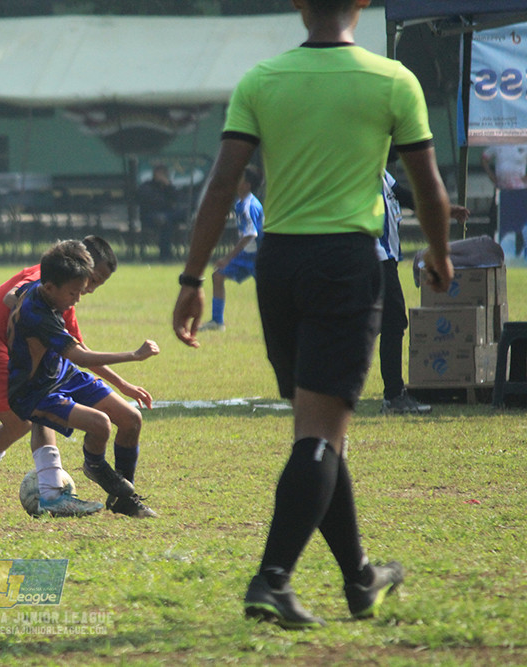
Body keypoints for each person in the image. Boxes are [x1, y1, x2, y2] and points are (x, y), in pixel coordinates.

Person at [172, 0, 453, 629]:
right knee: (319, 434)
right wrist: (437, 255)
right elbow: (429, 186)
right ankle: (272, 579)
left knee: (319, 427)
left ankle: (359, 579)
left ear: (298, 3)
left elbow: (221, 185)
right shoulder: (391, 80)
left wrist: (193, 279)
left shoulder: (261, 80)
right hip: (345, 264)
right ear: (362, 4)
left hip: (279, 265)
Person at [0, 236, 153, 517]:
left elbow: (79, 352)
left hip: (40, 366)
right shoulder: (47, 284)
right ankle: (52, 493)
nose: (88, 291)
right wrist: (26, 333)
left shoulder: (65, 295)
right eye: (91, 280)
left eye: (94, 284)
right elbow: (13, 298)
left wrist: (124, 385)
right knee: (35, 411)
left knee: (25, 422)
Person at [7, 240, 160, 517]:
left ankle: (124, 499)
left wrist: (122, 385)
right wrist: (134, 355)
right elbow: (81, 356)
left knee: (131, 418)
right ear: (51, 287)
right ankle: (95, 466)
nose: (78, 299)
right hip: (35, 392)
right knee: (100, 424)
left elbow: (12, 294)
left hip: (63, 375)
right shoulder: (39, 316)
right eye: (73, 293)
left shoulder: (38, 290)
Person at [378, 168, 470, 415]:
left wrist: (445, 210)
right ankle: (393, 396)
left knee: (384, 322)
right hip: (371, 257)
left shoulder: (381, 171)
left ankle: (390, 394)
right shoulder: (357, 164)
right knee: (391, 321)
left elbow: (406, 197)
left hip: (382, 258)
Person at [201, 165, 264, 331]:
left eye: (240, 178)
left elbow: (251, 234)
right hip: (246, 256)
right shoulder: (240, 203)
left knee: (269, 294)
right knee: (218, 276)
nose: (236, 180)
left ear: (247, 185)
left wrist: (228, 257)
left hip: (259, 257)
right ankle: (217, 321)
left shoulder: (249, 205)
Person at [137, 165, 186, 261]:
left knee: (182, 214)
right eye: (161, 174)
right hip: (151, 215)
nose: (164, 176)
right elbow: (154, 203)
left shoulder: (167, 187)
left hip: (168, 214)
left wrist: (168, 186)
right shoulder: (146, 186)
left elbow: (177, 198)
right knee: (166, 223)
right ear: (155, 174)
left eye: (165, 174)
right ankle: (165, 255)